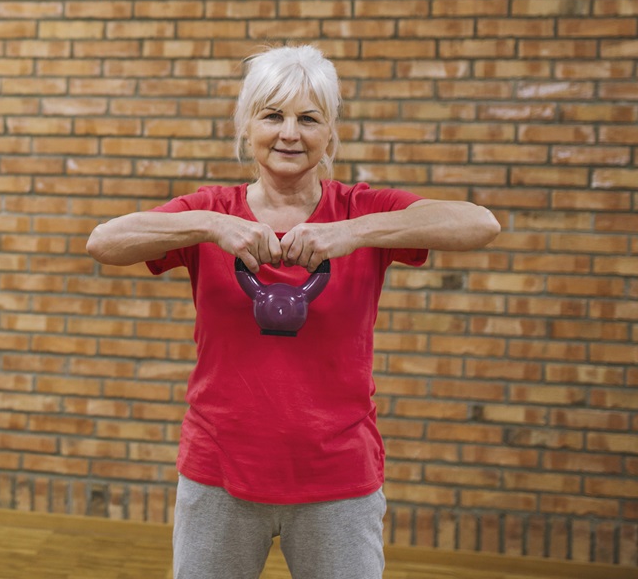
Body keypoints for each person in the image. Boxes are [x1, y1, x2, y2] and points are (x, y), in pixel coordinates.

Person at [86, 45, 500, 579]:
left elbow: (479, 223)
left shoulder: (359, 210)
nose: (289, 133)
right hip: (219, 475)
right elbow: (104, 242)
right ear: (247, 125)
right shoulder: (211, 211)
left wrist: (351, 233)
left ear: (330, 133)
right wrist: (211, 226)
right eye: (272, 115)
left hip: (338, 480)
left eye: (308, 118)